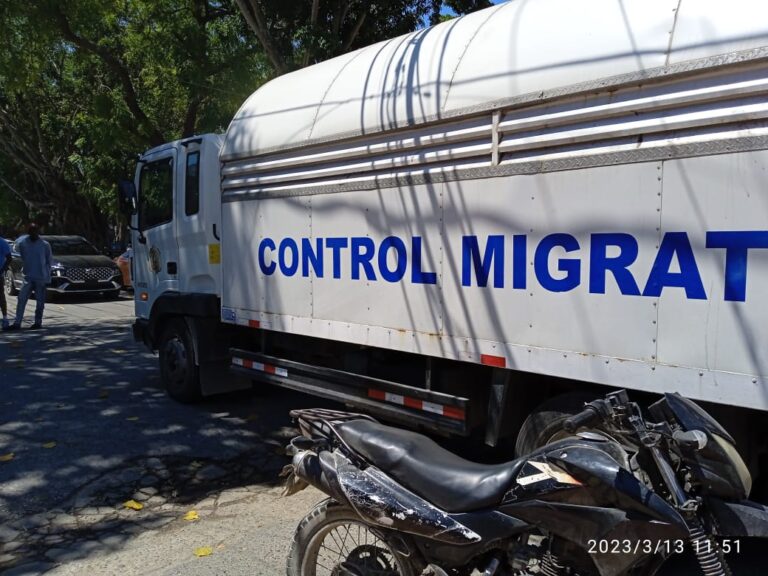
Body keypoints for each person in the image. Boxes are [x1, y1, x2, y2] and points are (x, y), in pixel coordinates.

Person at [5, 224, 52, 331]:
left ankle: (38, 322)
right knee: (21, 299)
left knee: (40, 302)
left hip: (40, 277)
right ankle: (17, 323)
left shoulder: (45, 245)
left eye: (35, 231)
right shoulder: (23, 243)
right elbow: (21, 255)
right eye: (31, 232)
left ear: (38, 232)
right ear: (29, 232)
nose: (34, 234)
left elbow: (49, 261)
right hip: (28, 277)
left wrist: (47, 277)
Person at [0, 236, 11, 329]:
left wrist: (2, 270)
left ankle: (5, 319)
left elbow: (9, 258)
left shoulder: (2, 242)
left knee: (1, 296)